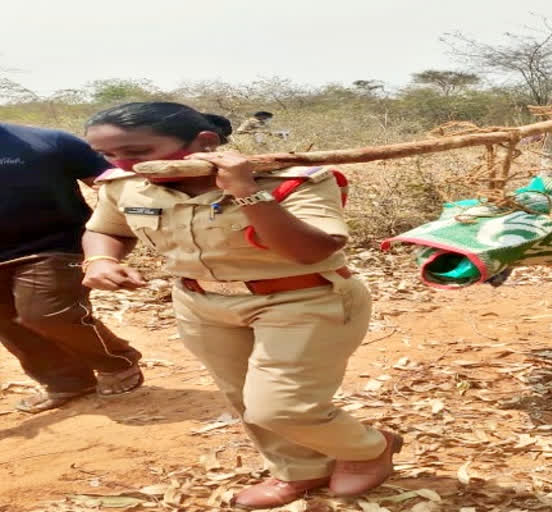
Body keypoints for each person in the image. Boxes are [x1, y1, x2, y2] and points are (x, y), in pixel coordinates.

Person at [80, 102, 401, 509]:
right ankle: (299, 469)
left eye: (138, 153)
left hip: (302, 299)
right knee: (245, 401)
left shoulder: (293, 180)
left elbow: (311, 250)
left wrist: (248, 193)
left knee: (281, 406)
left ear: (205, 143)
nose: (123, 164)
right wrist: (101, 259)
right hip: (201, 304)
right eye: (107, 155)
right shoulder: (124, 185)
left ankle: (369, 449)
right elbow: (105, 230)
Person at [0, 123, 143, 413]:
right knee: (6, 322)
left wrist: (111, 245)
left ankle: (119, 362)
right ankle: (66, 381)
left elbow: (116, 188)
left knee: (45, 312)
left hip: (54, 245)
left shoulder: (49, 140)